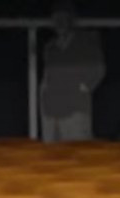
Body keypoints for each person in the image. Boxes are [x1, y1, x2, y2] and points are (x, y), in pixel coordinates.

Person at [39, 1, 106, 142]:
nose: (59, 22)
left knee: (77, 149)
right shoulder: (50, 47)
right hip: (51, 113)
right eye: (56, 18)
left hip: (75, 112)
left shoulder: (86, 42)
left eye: (63, 17)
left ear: (71, 19)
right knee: (51, 152)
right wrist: (44, 96)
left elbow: (98, 69)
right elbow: (47, 75)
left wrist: (83, 87)